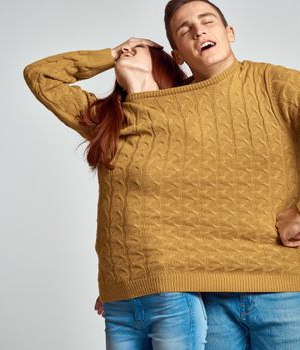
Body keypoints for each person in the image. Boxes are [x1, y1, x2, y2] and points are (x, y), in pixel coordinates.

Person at [95, 0, 300, 349]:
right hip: (205, 293)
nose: (199, 30)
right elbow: (139, 196)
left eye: (207, 21)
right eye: (185, 30)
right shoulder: (162, 109)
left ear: (229, 32)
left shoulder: (276, 84)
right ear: (178, 55)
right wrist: (124, 282)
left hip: (281, 287)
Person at [23, 39, 209, 350]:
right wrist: (108, 55)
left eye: (139, 48)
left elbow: (208, 201)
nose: (126, 49)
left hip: (173, 293)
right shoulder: (107, 122)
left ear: (163, 64)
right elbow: (39, 75)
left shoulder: (189, 117)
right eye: (124, 48)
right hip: (119, 297)